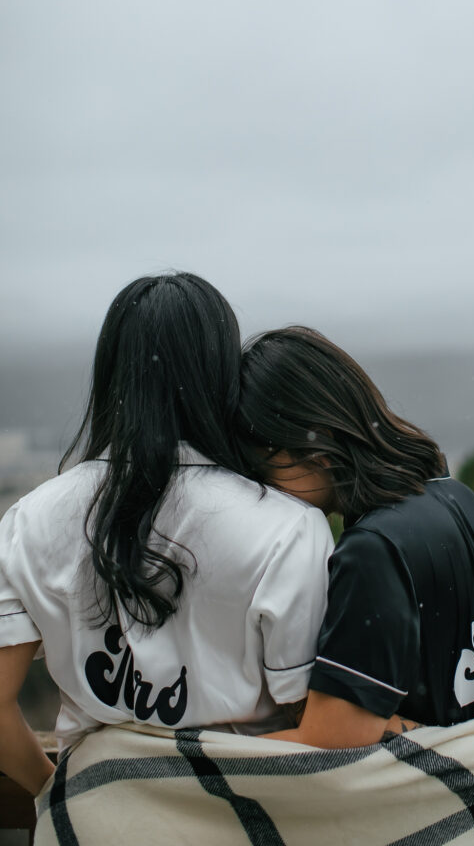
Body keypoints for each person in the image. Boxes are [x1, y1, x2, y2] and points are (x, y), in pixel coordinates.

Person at [0, 275, 334, 800]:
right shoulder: (289, 528)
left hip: (97, 819)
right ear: (221, 377)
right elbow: (314, 723)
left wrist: (58, 800)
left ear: (111, 372)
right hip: (244, 818)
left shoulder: (29, 520)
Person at [235, 326, 474, 749]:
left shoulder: (374, 550)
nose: (262, 491)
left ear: (316, 451)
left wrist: (187, 754)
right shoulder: (460, 499)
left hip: (441, 808)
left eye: (260, 469)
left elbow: (335, 740)